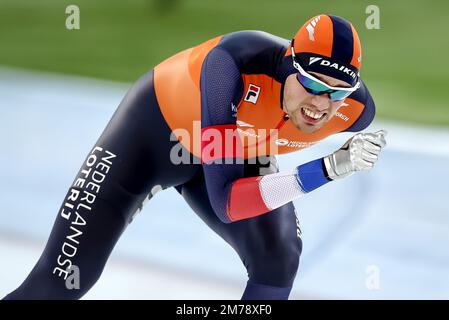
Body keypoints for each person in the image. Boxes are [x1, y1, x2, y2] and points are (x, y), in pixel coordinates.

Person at [3, 14, 386, 300]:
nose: (320, 104)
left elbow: (239, 182)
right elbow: (228, 203)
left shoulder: (354, 111)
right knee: (62, 279)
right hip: (153, 137)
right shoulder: (232, 66)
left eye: (336, 91)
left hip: (237, 146)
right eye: (312, 84)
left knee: (278, 257)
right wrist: (329, 169)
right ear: (288, 64)